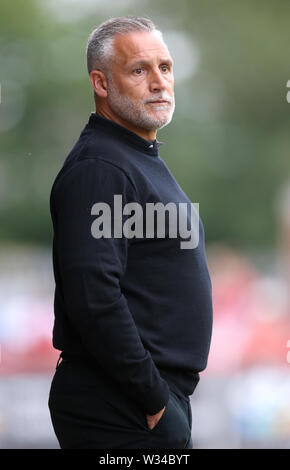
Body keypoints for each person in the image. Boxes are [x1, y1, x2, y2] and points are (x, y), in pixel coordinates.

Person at [48, 15, 213, 449]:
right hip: (122, 402)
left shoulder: (134, 156)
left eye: (166, 67)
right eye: (139, 70)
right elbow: (94, 294)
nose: (159, 82)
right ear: (101, 84)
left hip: (143, 400)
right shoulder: (100, 166)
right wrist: (154, 398)